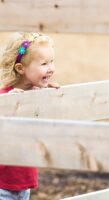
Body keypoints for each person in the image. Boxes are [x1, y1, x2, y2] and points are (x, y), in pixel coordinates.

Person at [0, 32, 59, 199]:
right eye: (44, 64)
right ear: (21, 69)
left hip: (23, 185)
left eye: (52, 62)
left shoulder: (36, 94)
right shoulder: (5, 97)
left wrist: (50, 97)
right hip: (2, 185)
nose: (51, 68)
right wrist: (8, 106)